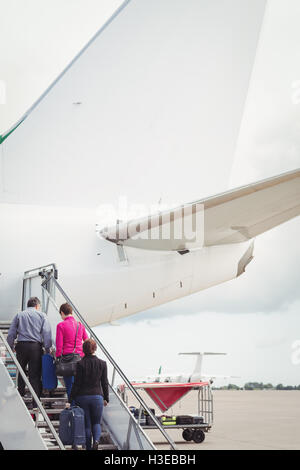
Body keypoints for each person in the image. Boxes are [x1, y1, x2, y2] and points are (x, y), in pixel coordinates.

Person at [7, 297, 52, 408]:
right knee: (35, 376)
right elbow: (47, 333)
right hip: (35, 348)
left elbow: (11, 332)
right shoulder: (42, 315)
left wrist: (10, 346)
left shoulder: (19, 315)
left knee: (21, 373)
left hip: (21, 347)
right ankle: (35, 403)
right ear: (37, 306)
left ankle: (20, 398)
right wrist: (47, 349)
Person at [70, 338, 109, 450]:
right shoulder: (102, 363)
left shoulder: (80, 364)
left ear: (83, 350)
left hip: (82, 397)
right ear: (95, 348)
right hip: (97, 397)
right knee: (96, 423)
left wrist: (70, 398)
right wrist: (106, 398)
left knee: (87, 424)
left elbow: (76, 384)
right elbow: (104, 383)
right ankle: (96, 441)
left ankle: (88, 447)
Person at [55, 303, 88, 402]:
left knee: (70, 386)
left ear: (62, 313)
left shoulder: (61, 325)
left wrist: (57, 357)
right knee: (79, 385)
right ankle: (79, 408)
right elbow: (86, 340)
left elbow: (59, 344)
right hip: (80, 359)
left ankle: (73, 409)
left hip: (67, 359)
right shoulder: (80, 325)